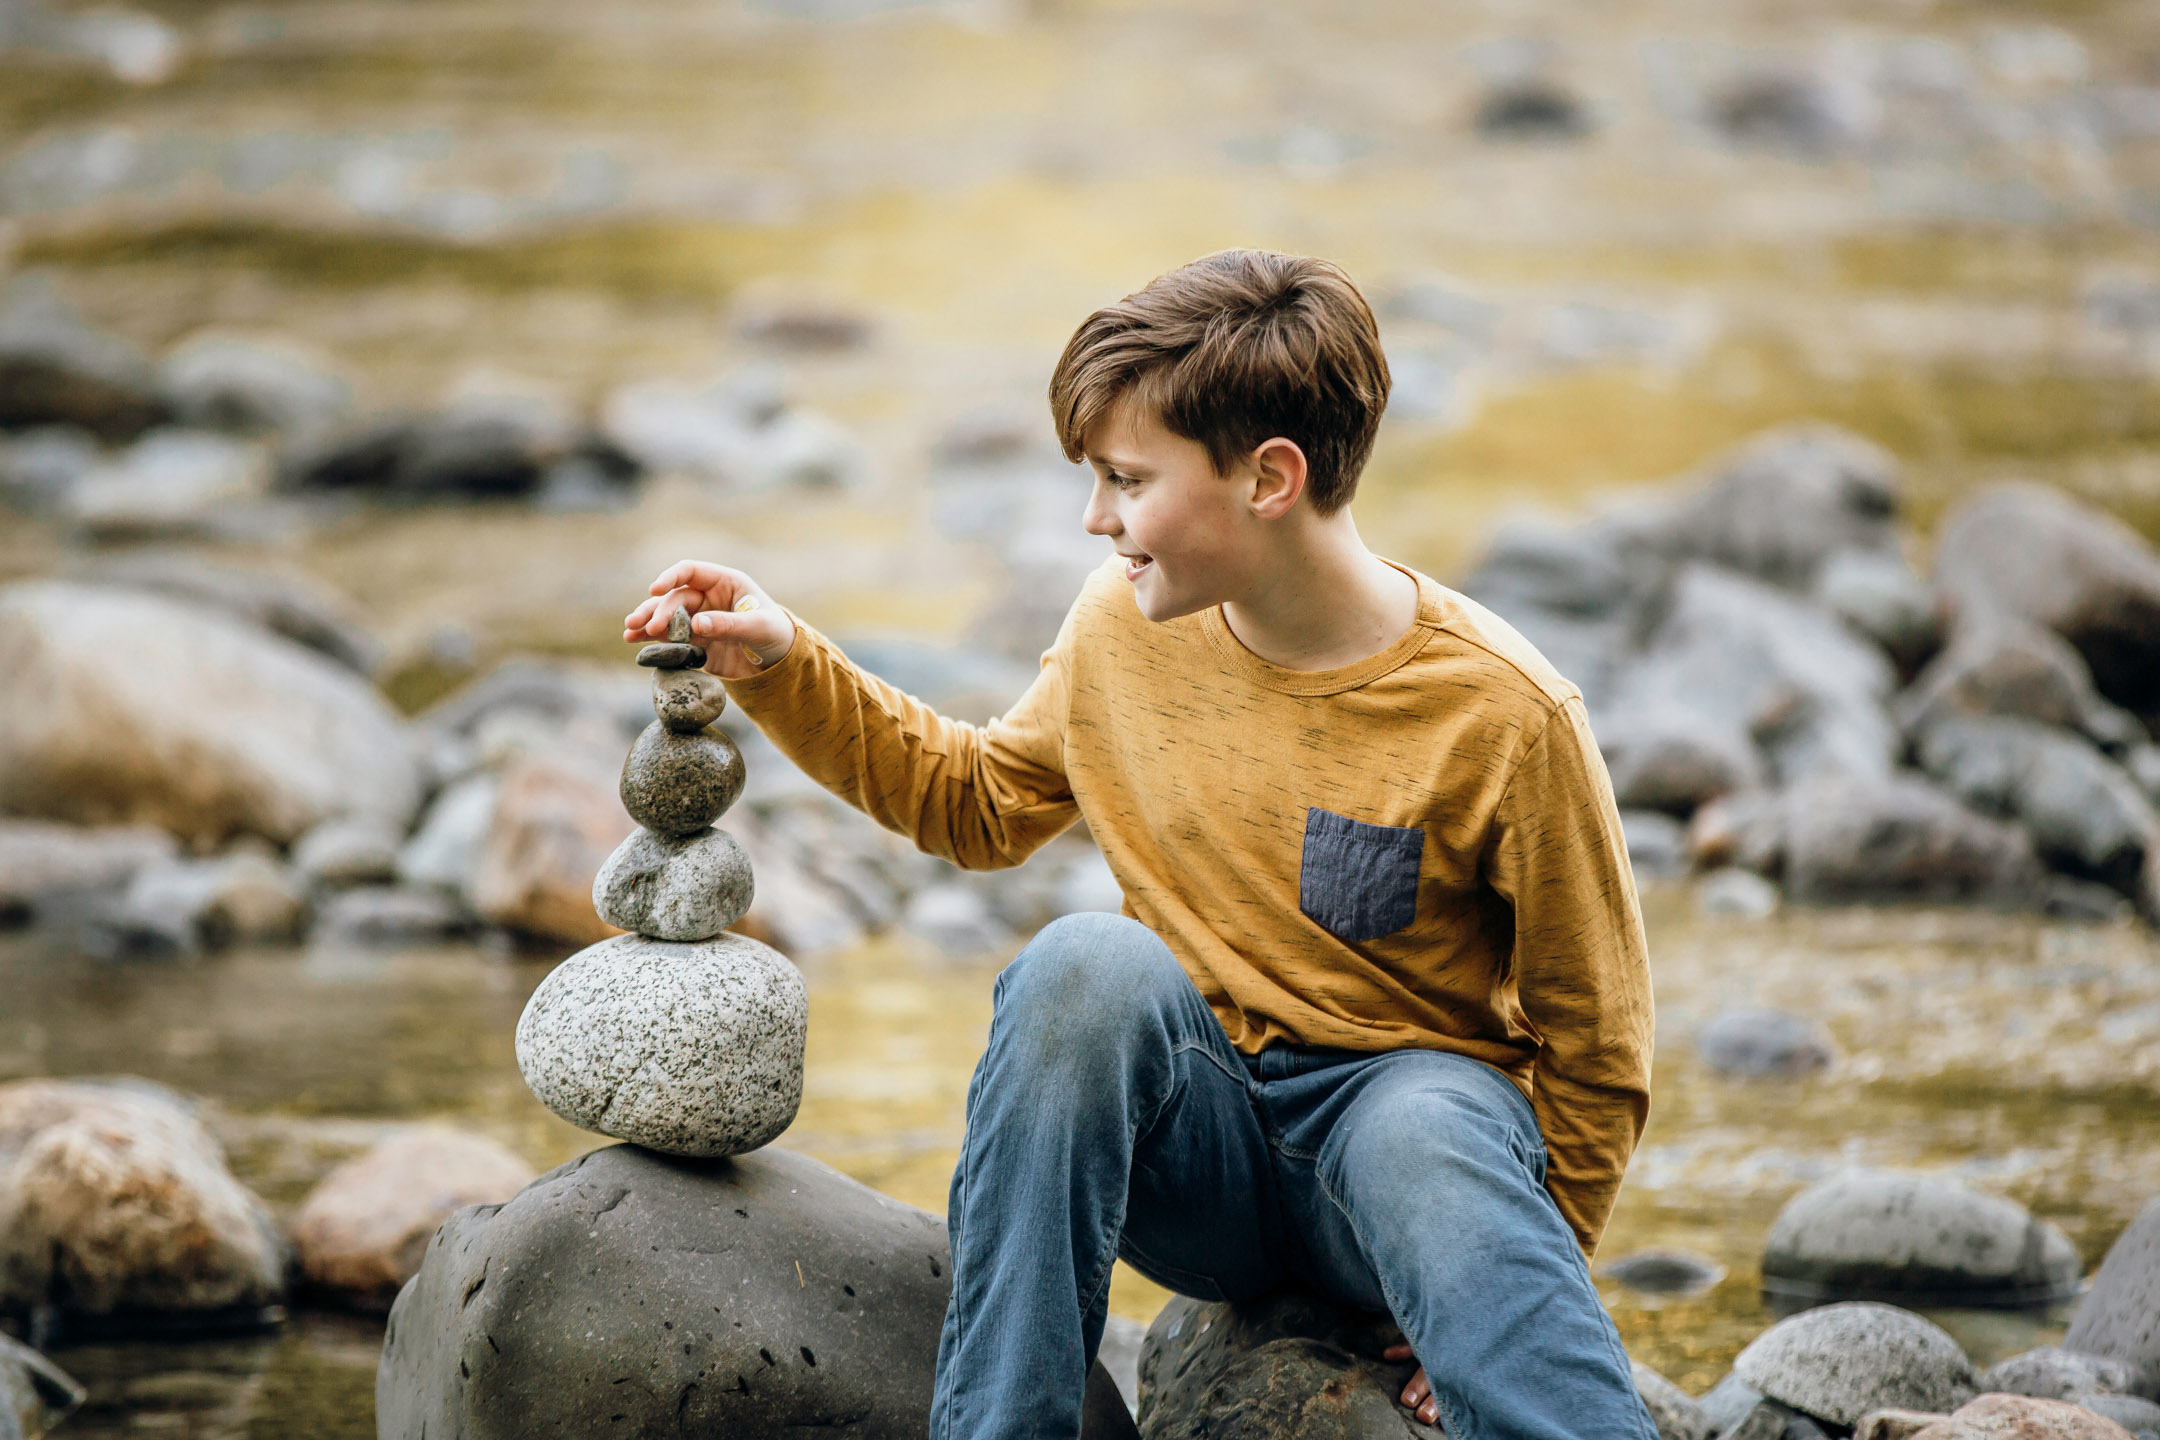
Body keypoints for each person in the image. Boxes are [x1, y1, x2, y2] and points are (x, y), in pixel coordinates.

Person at [622, 248, 1657, 1440]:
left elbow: (1597, 1043)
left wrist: (1497, 1294)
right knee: (1082, 966)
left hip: (1396, 1183)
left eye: (1125, 478)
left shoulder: (1507, 714)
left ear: (1270, 478)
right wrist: (785, 663)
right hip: (1196, 1161)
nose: (1095, 518)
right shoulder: (1124, 628)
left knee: (1429, 1117)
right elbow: (977, 802)